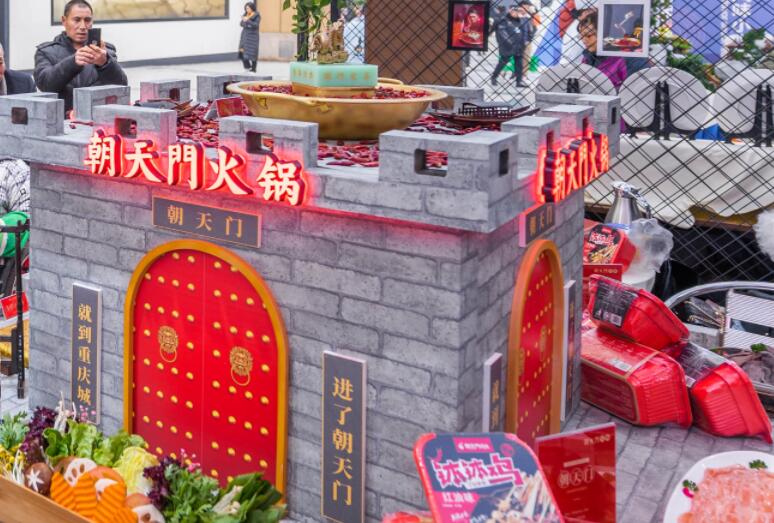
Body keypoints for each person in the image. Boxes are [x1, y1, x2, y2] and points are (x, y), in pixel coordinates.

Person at [34, 0, 127, 116]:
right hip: (61, 119)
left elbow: (121, 87)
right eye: (77, 20)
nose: (83, 26)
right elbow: (45, 86)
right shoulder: (46, 51)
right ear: (64, 21)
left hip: (99, 118)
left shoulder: (105, 51)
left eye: (87, 20)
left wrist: (105, 63)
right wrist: (72, 63)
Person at [491, 4, 533, 87]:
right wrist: (510, 43)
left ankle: (519, 81)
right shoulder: (504, 20)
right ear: (510, 11)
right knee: (502, 63)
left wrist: (526, 41)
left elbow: (528, 31)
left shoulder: (522, 20)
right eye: (514, 11)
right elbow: (502, 33)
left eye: (517, 11)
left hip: (519, 46)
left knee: (519, 64)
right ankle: (494, 77)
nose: (516, 13)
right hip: (508, 47)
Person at [519, 1, 540, 80]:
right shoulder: (517, 15)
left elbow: (535, 27)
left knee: (526, 58)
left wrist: (533, 14)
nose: (527, 8)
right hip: (518, 41)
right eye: (526, 6)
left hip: (528, 41)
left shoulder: (531, 16)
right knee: (517, 58)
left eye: (528, 6)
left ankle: (524, 75)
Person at [239, 2, 261, 73]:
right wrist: (245, 22)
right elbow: (241, 24)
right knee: (242, 52)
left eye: (248, 8)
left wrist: (247, 21)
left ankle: (253, 69)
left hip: (253, 37)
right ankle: (247, 67)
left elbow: (256, 25)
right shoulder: (245, 14)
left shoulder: (257, 15)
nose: (247, 9)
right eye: (246, 8)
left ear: (252, 8)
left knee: (253, 53)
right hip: (245, 36)